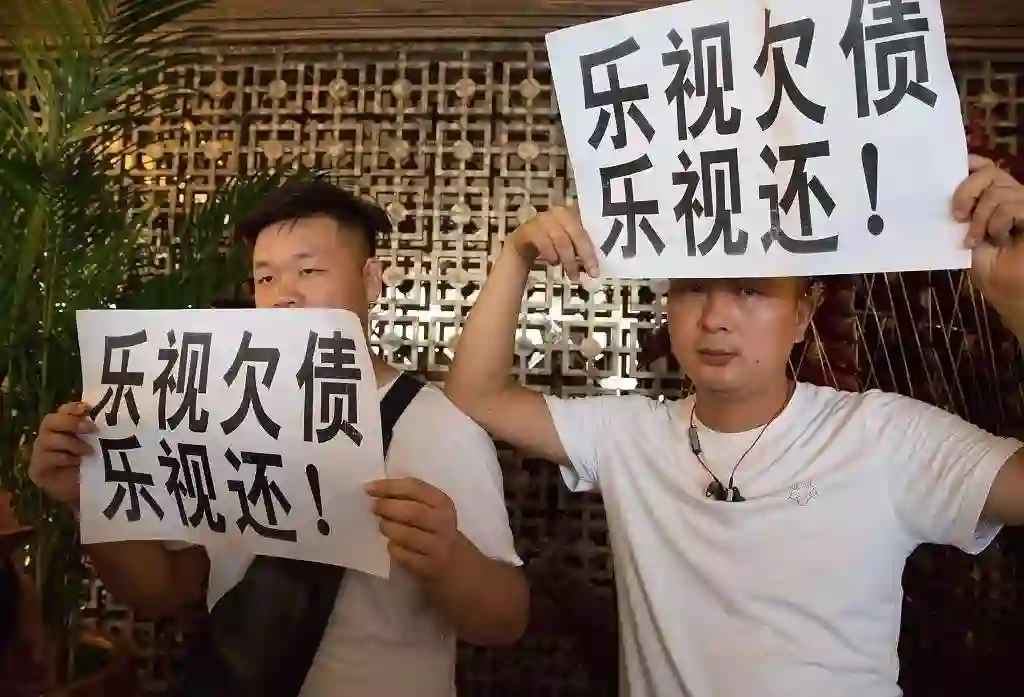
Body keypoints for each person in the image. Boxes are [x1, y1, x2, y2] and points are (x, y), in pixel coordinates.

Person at [445, 154, 1024, 697]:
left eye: (750, 290)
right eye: (693, 289)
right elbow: (477, 394)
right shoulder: (629, 437)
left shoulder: (879, 436)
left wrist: (1018, 296)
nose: (716, 319)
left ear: (803, 313)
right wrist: (516, 255)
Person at [28, 179, 529, 697]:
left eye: (309, 271)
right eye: (266, 278)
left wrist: (451, 560)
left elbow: (507, 621)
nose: (284, 296)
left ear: (371, 281)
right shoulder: (215, 418)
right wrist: (89, 495)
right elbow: (162, 590)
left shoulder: (441, 428)